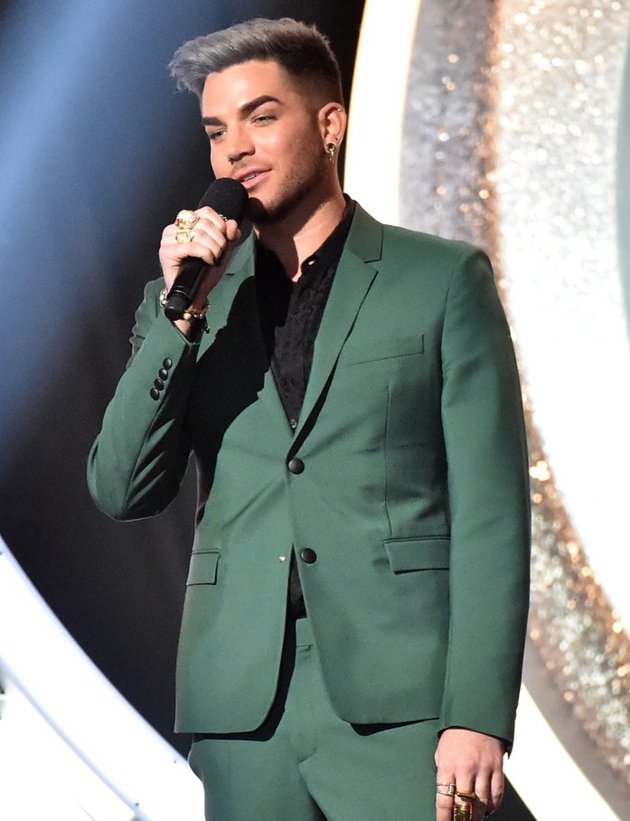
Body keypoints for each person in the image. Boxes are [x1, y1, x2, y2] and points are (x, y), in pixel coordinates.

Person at [88, 17, 530, 821]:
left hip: (406, 702)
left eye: (261, 117)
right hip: (243, 712)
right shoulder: (189, 306)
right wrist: (176, 316)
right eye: (217, 131)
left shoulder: (439, 280)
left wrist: (476, 711)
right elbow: (121, 487)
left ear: (329, 125)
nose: (234, 150)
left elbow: (492, 514)